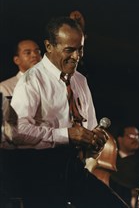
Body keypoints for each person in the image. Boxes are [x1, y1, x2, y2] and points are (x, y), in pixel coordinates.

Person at [10, 16, 128, 208]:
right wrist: (66, 134)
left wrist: (95, 140)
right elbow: (16, 130)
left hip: (74, 169)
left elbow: (90, 126)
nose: (76, 57)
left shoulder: (80, 80)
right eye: (69, 50)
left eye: (80, 49)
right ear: (49, 46)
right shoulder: (32, 80)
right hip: (40, 171)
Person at [110, 124, 139, 208]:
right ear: (120, 139)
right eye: (131, 136)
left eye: (137, 136)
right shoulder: (110, 159)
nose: (135, 139)